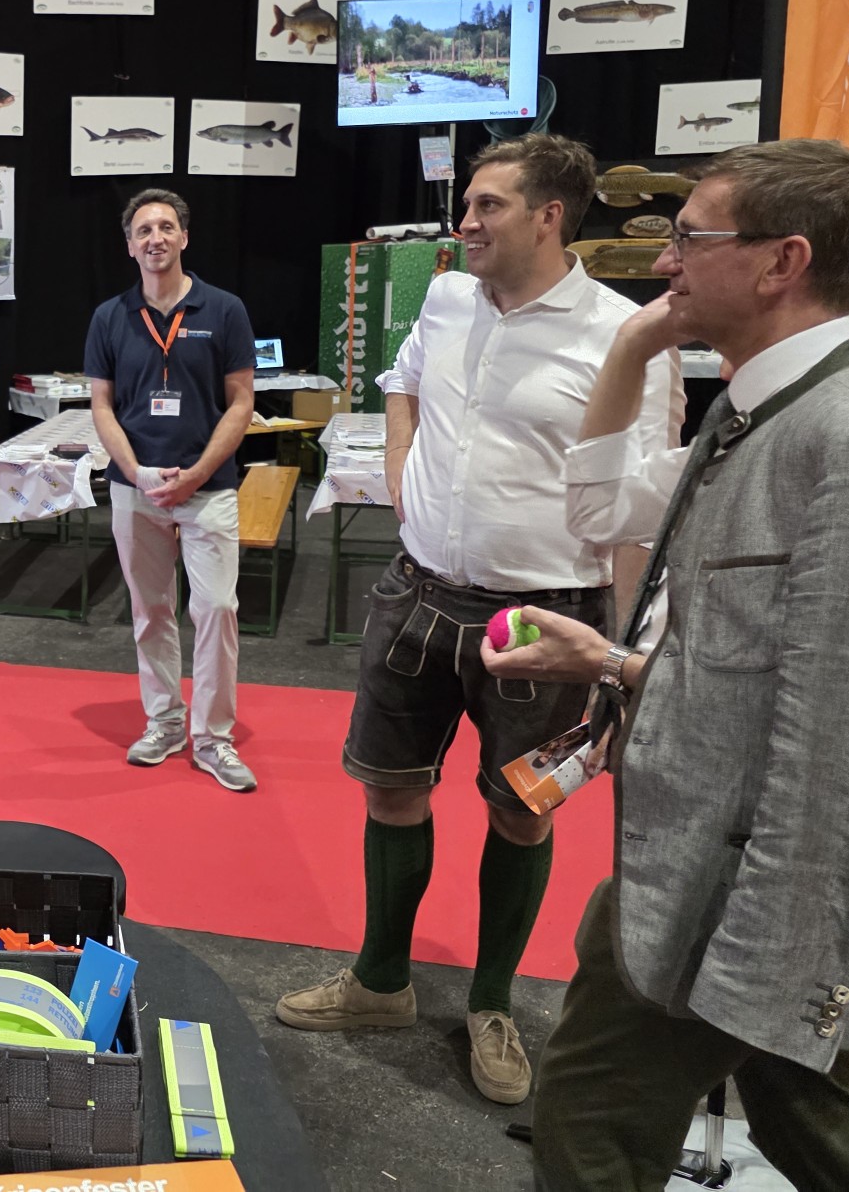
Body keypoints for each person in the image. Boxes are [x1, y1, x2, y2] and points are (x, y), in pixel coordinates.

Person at [478, 139, 849, 1190]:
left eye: (690, 239)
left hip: (743, 896)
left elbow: (836, 733)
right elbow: (749, 671)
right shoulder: (762, 411)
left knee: (592, 1128)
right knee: (817, 1130)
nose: (663, 263)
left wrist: (770, 950)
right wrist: (616, 664)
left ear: (781, 261)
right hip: (689, 873)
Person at [275, 132, 683, 1107]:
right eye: (466, 203)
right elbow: (401, 380)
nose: (463, 223)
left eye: (486, 206)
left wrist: (620, 660)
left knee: (520, 809)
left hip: (545, 621)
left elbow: (640, 518)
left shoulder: (621, 336)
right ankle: (379, 982)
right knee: (389, 790)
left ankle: (492, 1003)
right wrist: (401, 473)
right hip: (415, 593)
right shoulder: (449, 296)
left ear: (549, 216)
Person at [84, 189, 259, 792]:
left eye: (165, 227)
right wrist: (134, 471)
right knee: (150, 611)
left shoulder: (225, 309)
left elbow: (241, 402)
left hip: (208, 488)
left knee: (217, 610)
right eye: (143, 230)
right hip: (136, 489)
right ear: (129, 245)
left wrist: (200, 472)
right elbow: (101, 405)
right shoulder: (110, 316)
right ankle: (164, 722)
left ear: (184, 237)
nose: (154, 238)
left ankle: (213, 739)